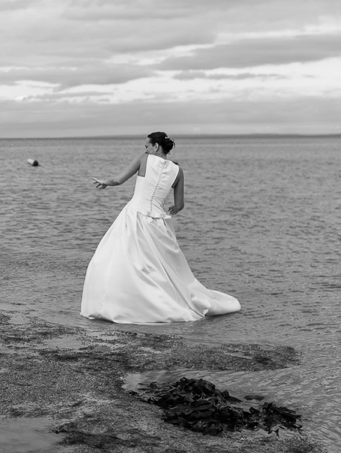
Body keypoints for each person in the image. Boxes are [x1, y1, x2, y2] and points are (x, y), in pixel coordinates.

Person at [81, 131, 240, 323]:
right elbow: (179, 205)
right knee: (159, 269)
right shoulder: (178, 171)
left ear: (155, 147)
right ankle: (159, 304)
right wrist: (167, 211)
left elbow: (118, 180)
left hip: (135, 216)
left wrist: (105, 182)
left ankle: (119, 306)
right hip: (158, 223)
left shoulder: (144, 159)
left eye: (147, 146)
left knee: (116, 261)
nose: (145, 149)